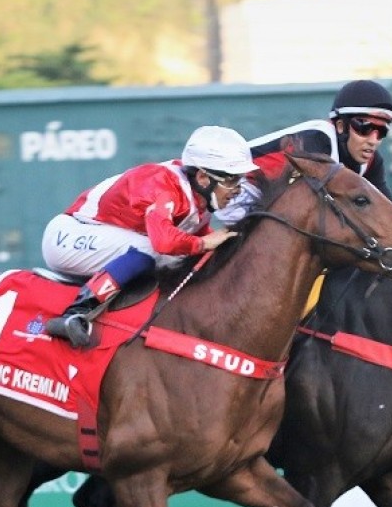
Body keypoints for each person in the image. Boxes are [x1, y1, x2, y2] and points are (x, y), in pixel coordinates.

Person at [41, 125, 259, 347]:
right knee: (150, 250)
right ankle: (76, 313)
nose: (237, 190)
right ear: (203, 177)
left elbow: (191, 248)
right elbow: (163, 241)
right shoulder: (163, 183)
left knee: (181, 258)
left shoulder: (199, 199)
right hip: (68, 236)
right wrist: (203, 242)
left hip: (102, 237)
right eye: (231, 180)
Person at [216, 79, 392, 225]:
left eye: (381, 131)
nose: (373, 140)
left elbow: (390, 211)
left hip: (269, 199)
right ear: (341, 126)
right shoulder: (316, 141)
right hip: (232, 189)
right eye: (364, 128)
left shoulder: (372, 162)